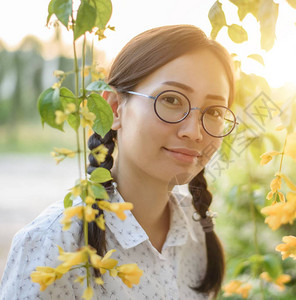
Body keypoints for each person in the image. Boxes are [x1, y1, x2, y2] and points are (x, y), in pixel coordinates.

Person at [0, 24, 237, 299]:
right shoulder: (52, 244)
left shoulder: (196, 234)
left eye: (214, 112)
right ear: (114, 108)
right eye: (171, 99)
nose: (194, 132)